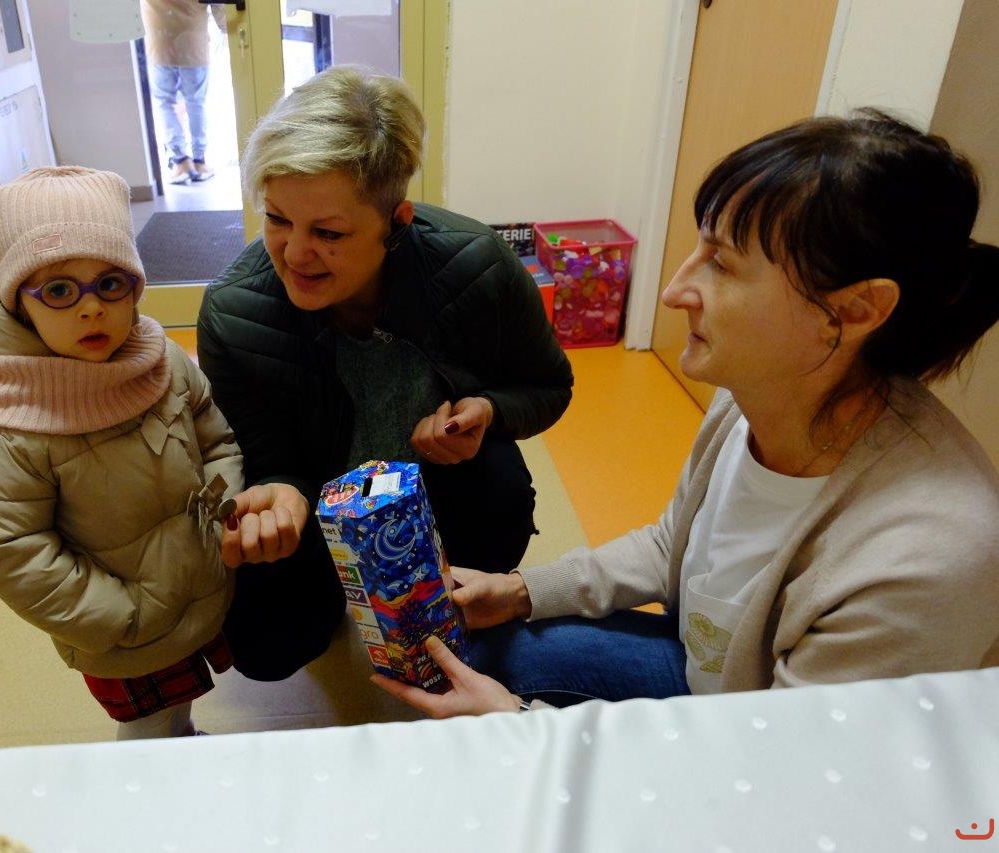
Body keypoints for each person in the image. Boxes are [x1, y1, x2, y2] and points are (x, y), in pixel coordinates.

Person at [374, 110, 999, 718]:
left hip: (767, 750)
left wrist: (515, 722)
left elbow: (785, 769)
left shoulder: (922, 562)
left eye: (722, 263)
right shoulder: (753, 394)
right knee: (481, 649)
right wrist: (521, 591)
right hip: (712, 679)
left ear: (857, 310)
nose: (675, 291)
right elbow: (675, 542)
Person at [198, 66, 574, 681]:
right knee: (264, 649)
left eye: (328, 232)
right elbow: (264, 455)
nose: (294, 253)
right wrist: (280, 494)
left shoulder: (477, 267)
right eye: (277, 219)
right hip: (319, 500)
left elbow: (549, 386)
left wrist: (488, 411)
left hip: (436, 487)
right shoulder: (235, 312)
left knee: (500, 494)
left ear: (397, 222)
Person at [0, 166, 243, 738]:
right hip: (122, 630)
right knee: (146, 729)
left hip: (195, 585)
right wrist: (120, 616)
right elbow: (10, 548)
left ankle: (183, 740)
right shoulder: (13, 419)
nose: (91, 309)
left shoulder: (161, 360)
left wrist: (224, 520)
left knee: (178, 706)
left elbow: (216, 439)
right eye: (59, 291)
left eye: (110, 283)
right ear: (17, 304)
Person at [142, 0, 225, 185]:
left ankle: (181, 160)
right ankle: (199, 161)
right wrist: (226, 24)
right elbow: (220, 9)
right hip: (192, 41)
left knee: (165, 103)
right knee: (196, 102)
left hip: (159, 40)